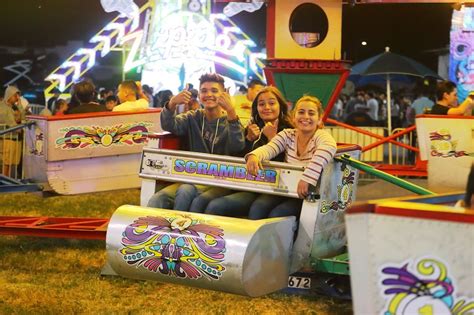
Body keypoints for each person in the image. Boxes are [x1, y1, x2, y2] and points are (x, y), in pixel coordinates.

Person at [147, 73, 245, 211]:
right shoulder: (193, 117)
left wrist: (231, 111)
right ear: (199, 95)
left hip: (221, 180)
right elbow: (169, 125)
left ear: (224, 94)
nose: (208, 94)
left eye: (214, 91)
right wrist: (172, 103)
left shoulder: (231, 120)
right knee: (158, 199)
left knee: (185, 191)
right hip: (193, 177)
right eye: (204, 91)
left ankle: (178, 229)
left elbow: (237, 145)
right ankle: (156, 231)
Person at [196, 86, 293, 216]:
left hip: (272, 188)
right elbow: (237, 156)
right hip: (244, 183)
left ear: (280, 106)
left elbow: (284, 167)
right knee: (202, 200)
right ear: (256, 108)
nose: (267, 107)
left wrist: (271, 138)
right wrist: (248, 138)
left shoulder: (289, 132)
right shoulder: (252, 127)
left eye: (271, 103)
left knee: (219, 206)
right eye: (261, 104)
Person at [245, 95, 337, 219]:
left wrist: (307, 178)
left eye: (311, 113)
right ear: (294, 117)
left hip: (309, 194)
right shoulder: (287, 135)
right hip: (287, 189)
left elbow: (328, 147)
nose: (305, 117)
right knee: (258, 207)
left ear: (319, 120)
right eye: (301, 112)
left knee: (278, 214)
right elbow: (270, 148)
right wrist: (254, 156)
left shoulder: (321, 136)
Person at [0, 86, 22, 176]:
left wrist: (19, 104)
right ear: (9, 95)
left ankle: (6, 181)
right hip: (7, 138)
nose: (17, 98)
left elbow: (22, 117)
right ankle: (4, 183)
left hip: (12, 137)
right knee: (6, 162)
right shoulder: (3, 107)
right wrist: (20, 128)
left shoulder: (13, 107)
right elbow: (10, 122)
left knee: (9, 163)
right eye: (15, 96)